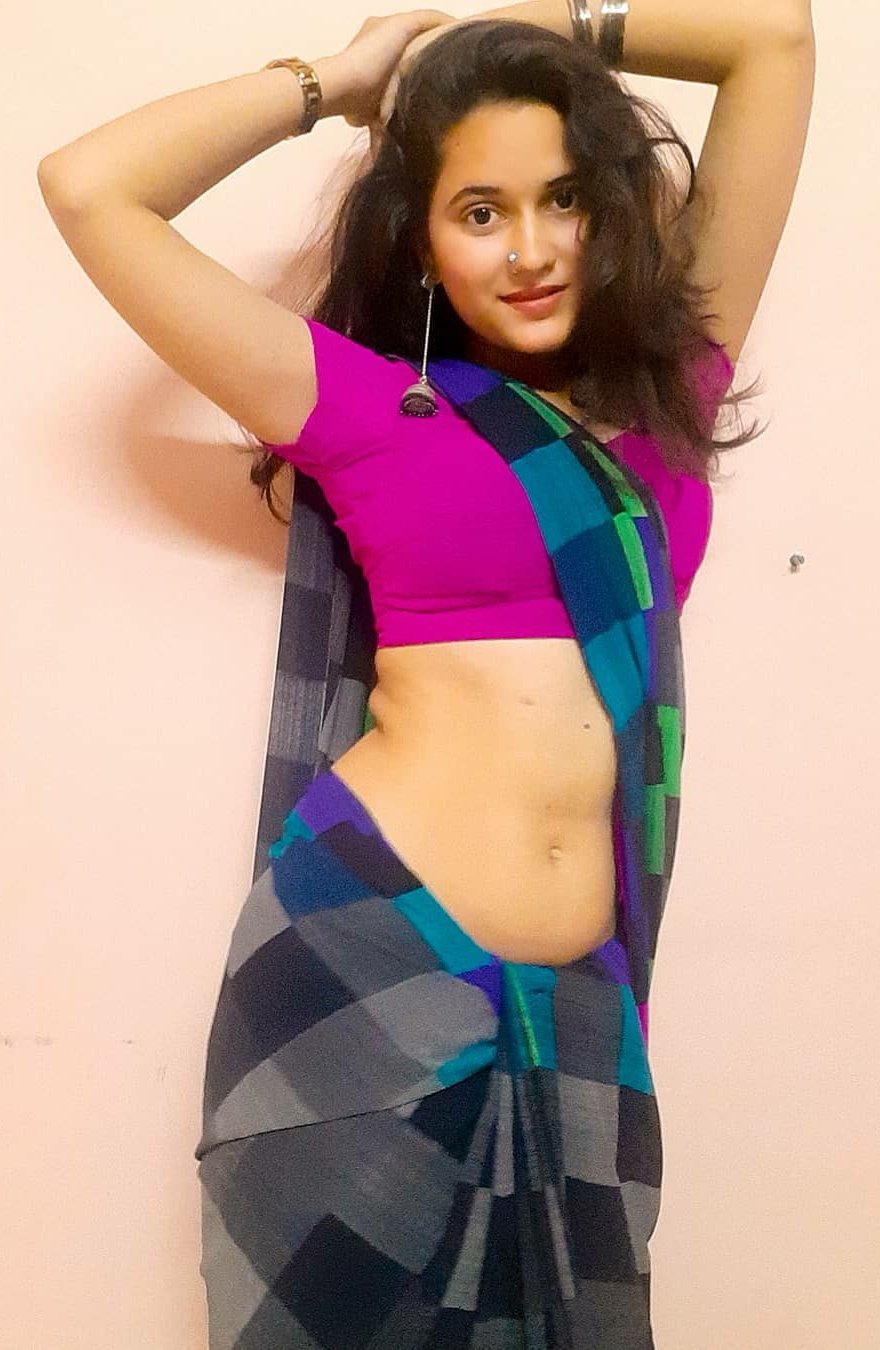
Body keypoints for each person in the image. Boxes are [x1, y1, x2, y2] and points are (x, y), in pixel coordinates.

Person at [37, 3, 815, 1345]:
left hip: (577, 1020)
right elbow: (89, 187)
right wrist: (341, 79)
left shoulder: (664, 405)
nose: (531, 249)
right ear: (420, 240)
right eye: (480, 211)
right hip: (361, 969)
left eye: (563, 198)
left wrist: (528, 26)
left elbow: (776, 42)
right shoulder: (373, 407)